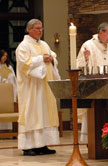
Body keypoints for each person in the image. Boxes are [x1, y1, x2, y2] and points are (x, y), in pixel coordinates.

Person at [16, 19, 60, 156]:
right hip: (31, 88)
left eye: (41, 28)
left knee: (44, 114)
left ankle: (42, 144)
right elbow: (24, 64)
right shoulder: (23, 46)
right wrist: (41, 58)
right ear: (29, 29)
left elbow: (53, 58)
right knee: (32, 114)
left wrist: (51, 59)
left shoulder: (45, 44)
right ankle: (28, 146)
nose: (40, 30)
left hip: (45, 87)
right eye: (37, 28)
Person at [77, 22, 108, 142]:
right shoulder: (88, 45)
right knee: (94, 113)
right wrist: (86, 58)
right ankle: (92, 141)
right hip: (94, 87)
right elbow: (79, 65)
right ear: (100, 32)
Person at [0, 49, 17, 130]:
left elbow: (13, 80)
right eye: (3, 56)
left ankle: (8, 129)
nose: (5, 58)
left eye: (6, 56)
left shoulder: (9, 67)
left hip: (7, 93)